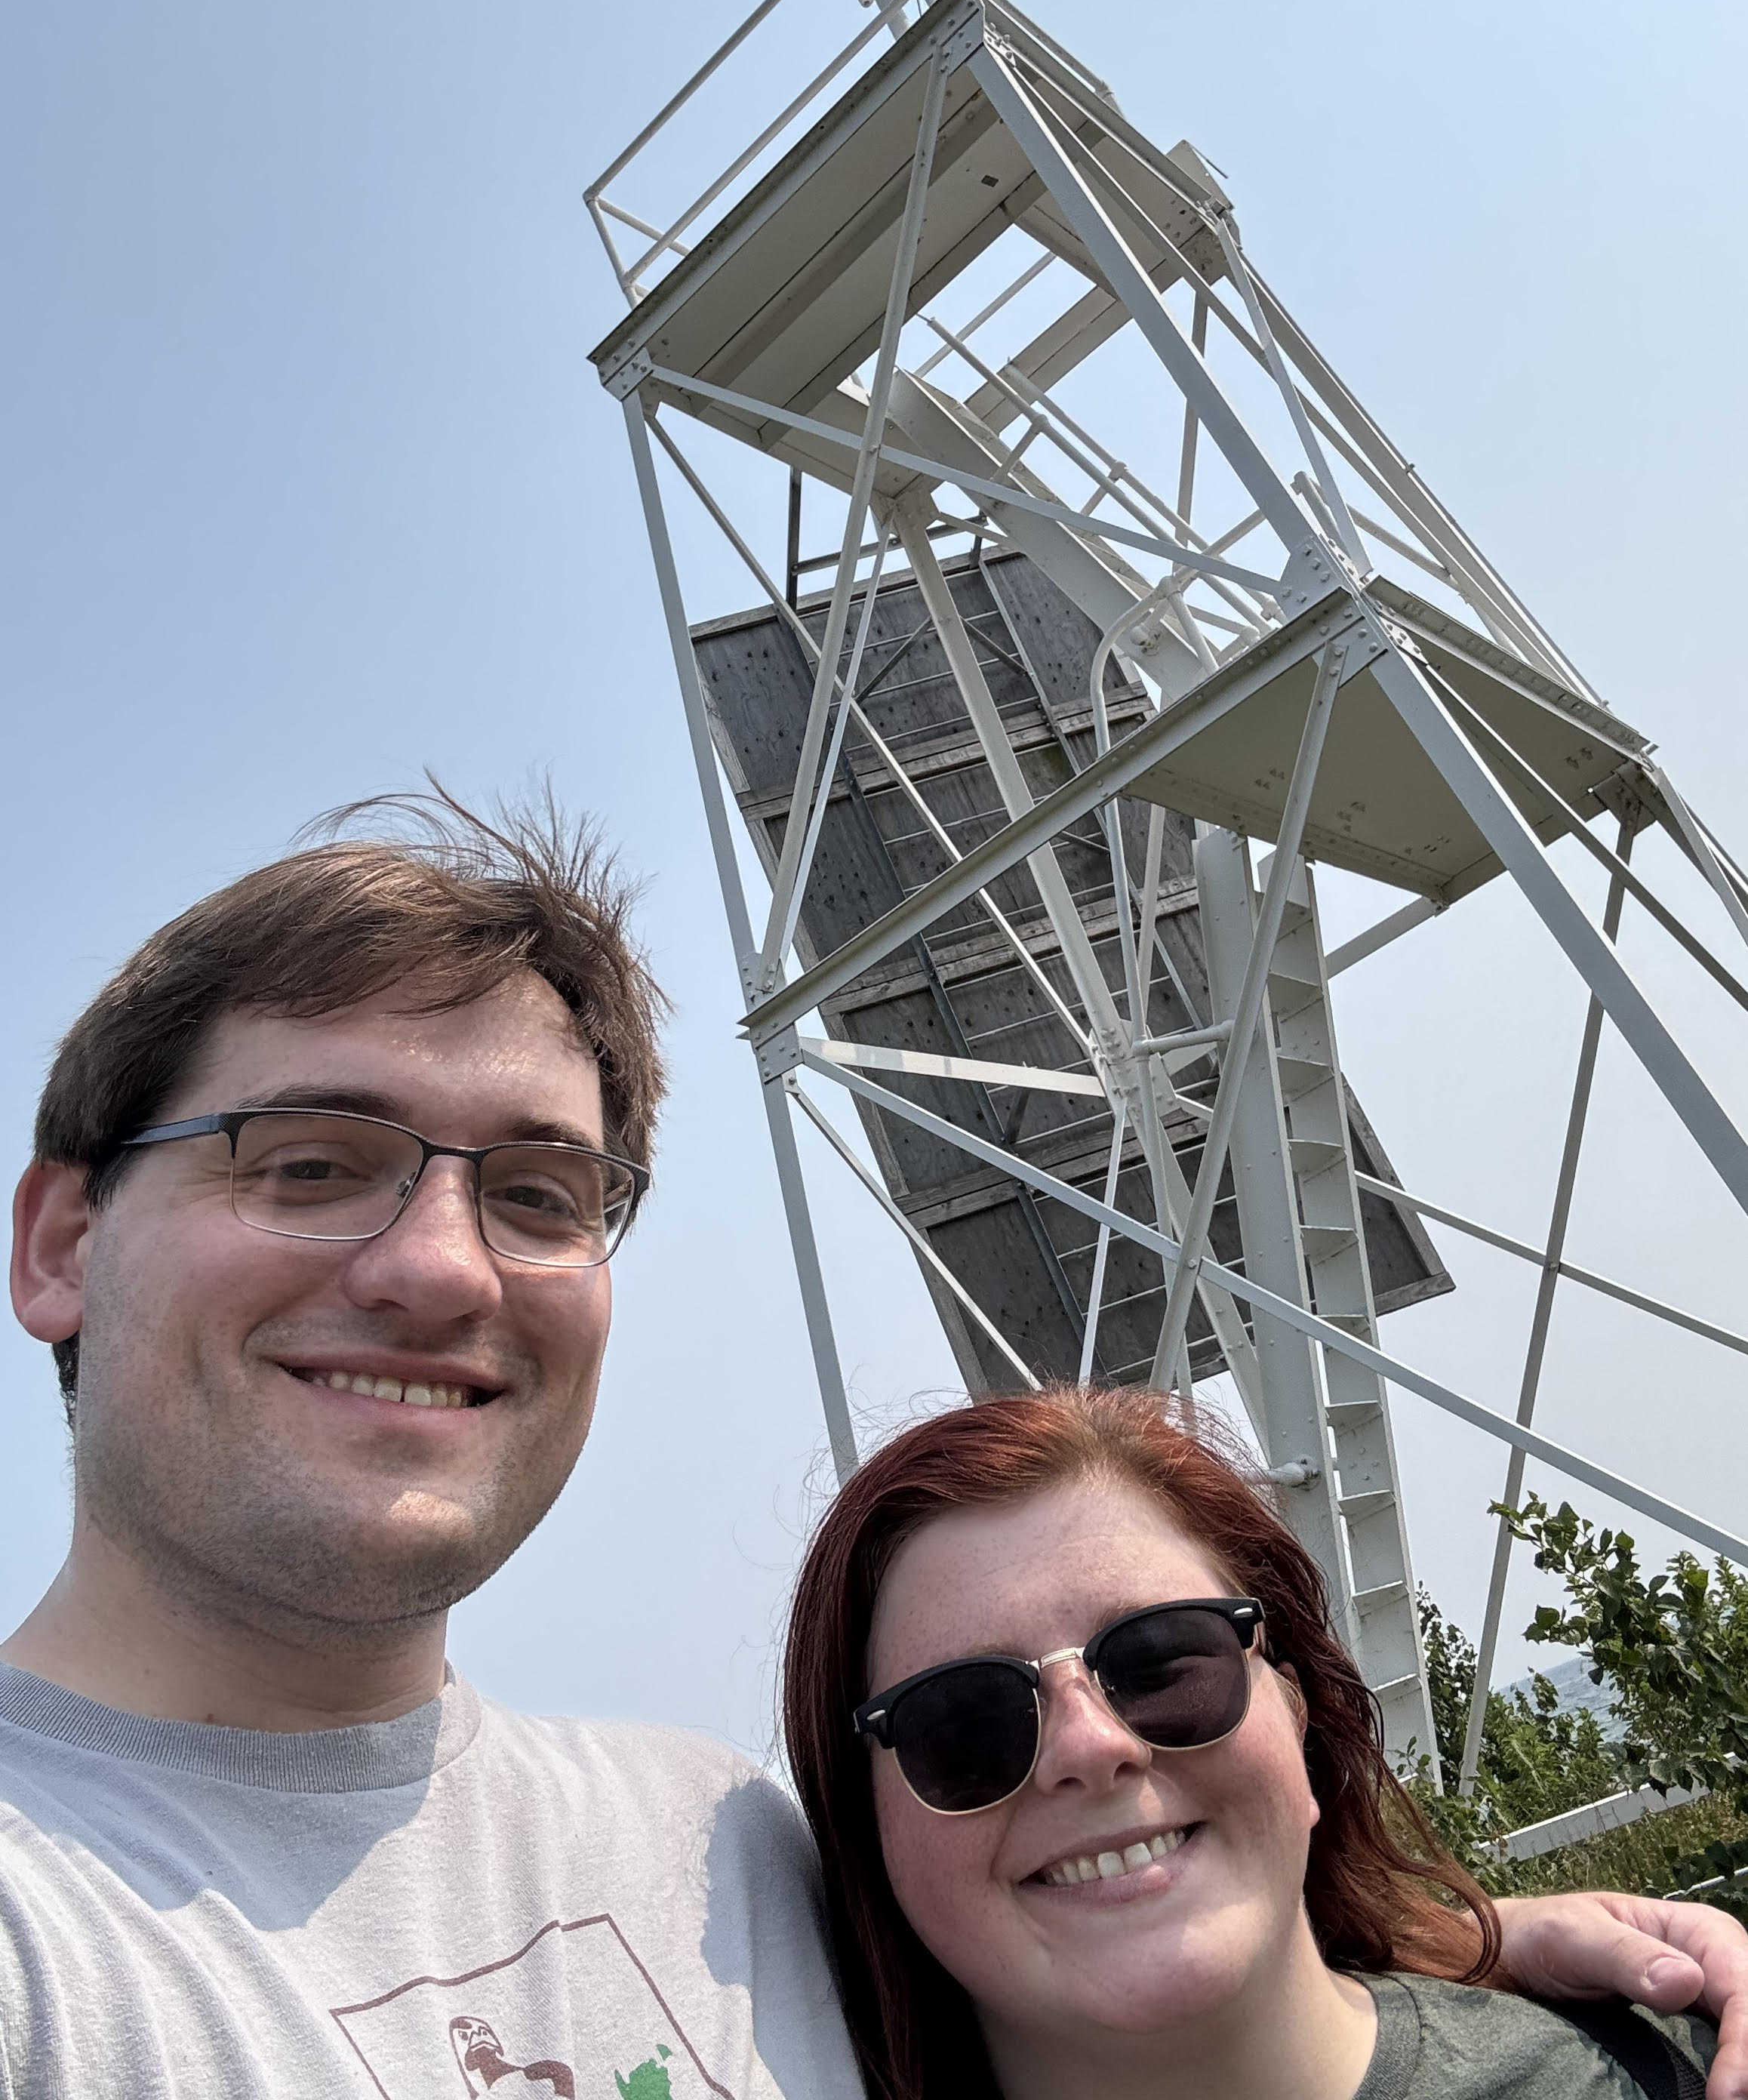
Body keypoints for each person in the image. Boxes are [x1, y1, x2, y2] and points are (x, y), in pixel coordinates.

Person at [1, 797, 1743, 2097]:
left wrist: (1490, 1970)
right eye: (306, 1159)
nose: (441, 1265)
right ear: (63, 1243)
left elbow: (1119, 1947)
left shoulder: (714, 1849)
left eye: (538, 1193)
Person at [783, 1386, 1730, 2100]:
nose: (1089, 1744)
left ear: (1298, 1709)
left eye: (1162, 1661)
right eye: (963, 1721)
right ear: (865, 1834)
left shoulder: (1660, 2068)